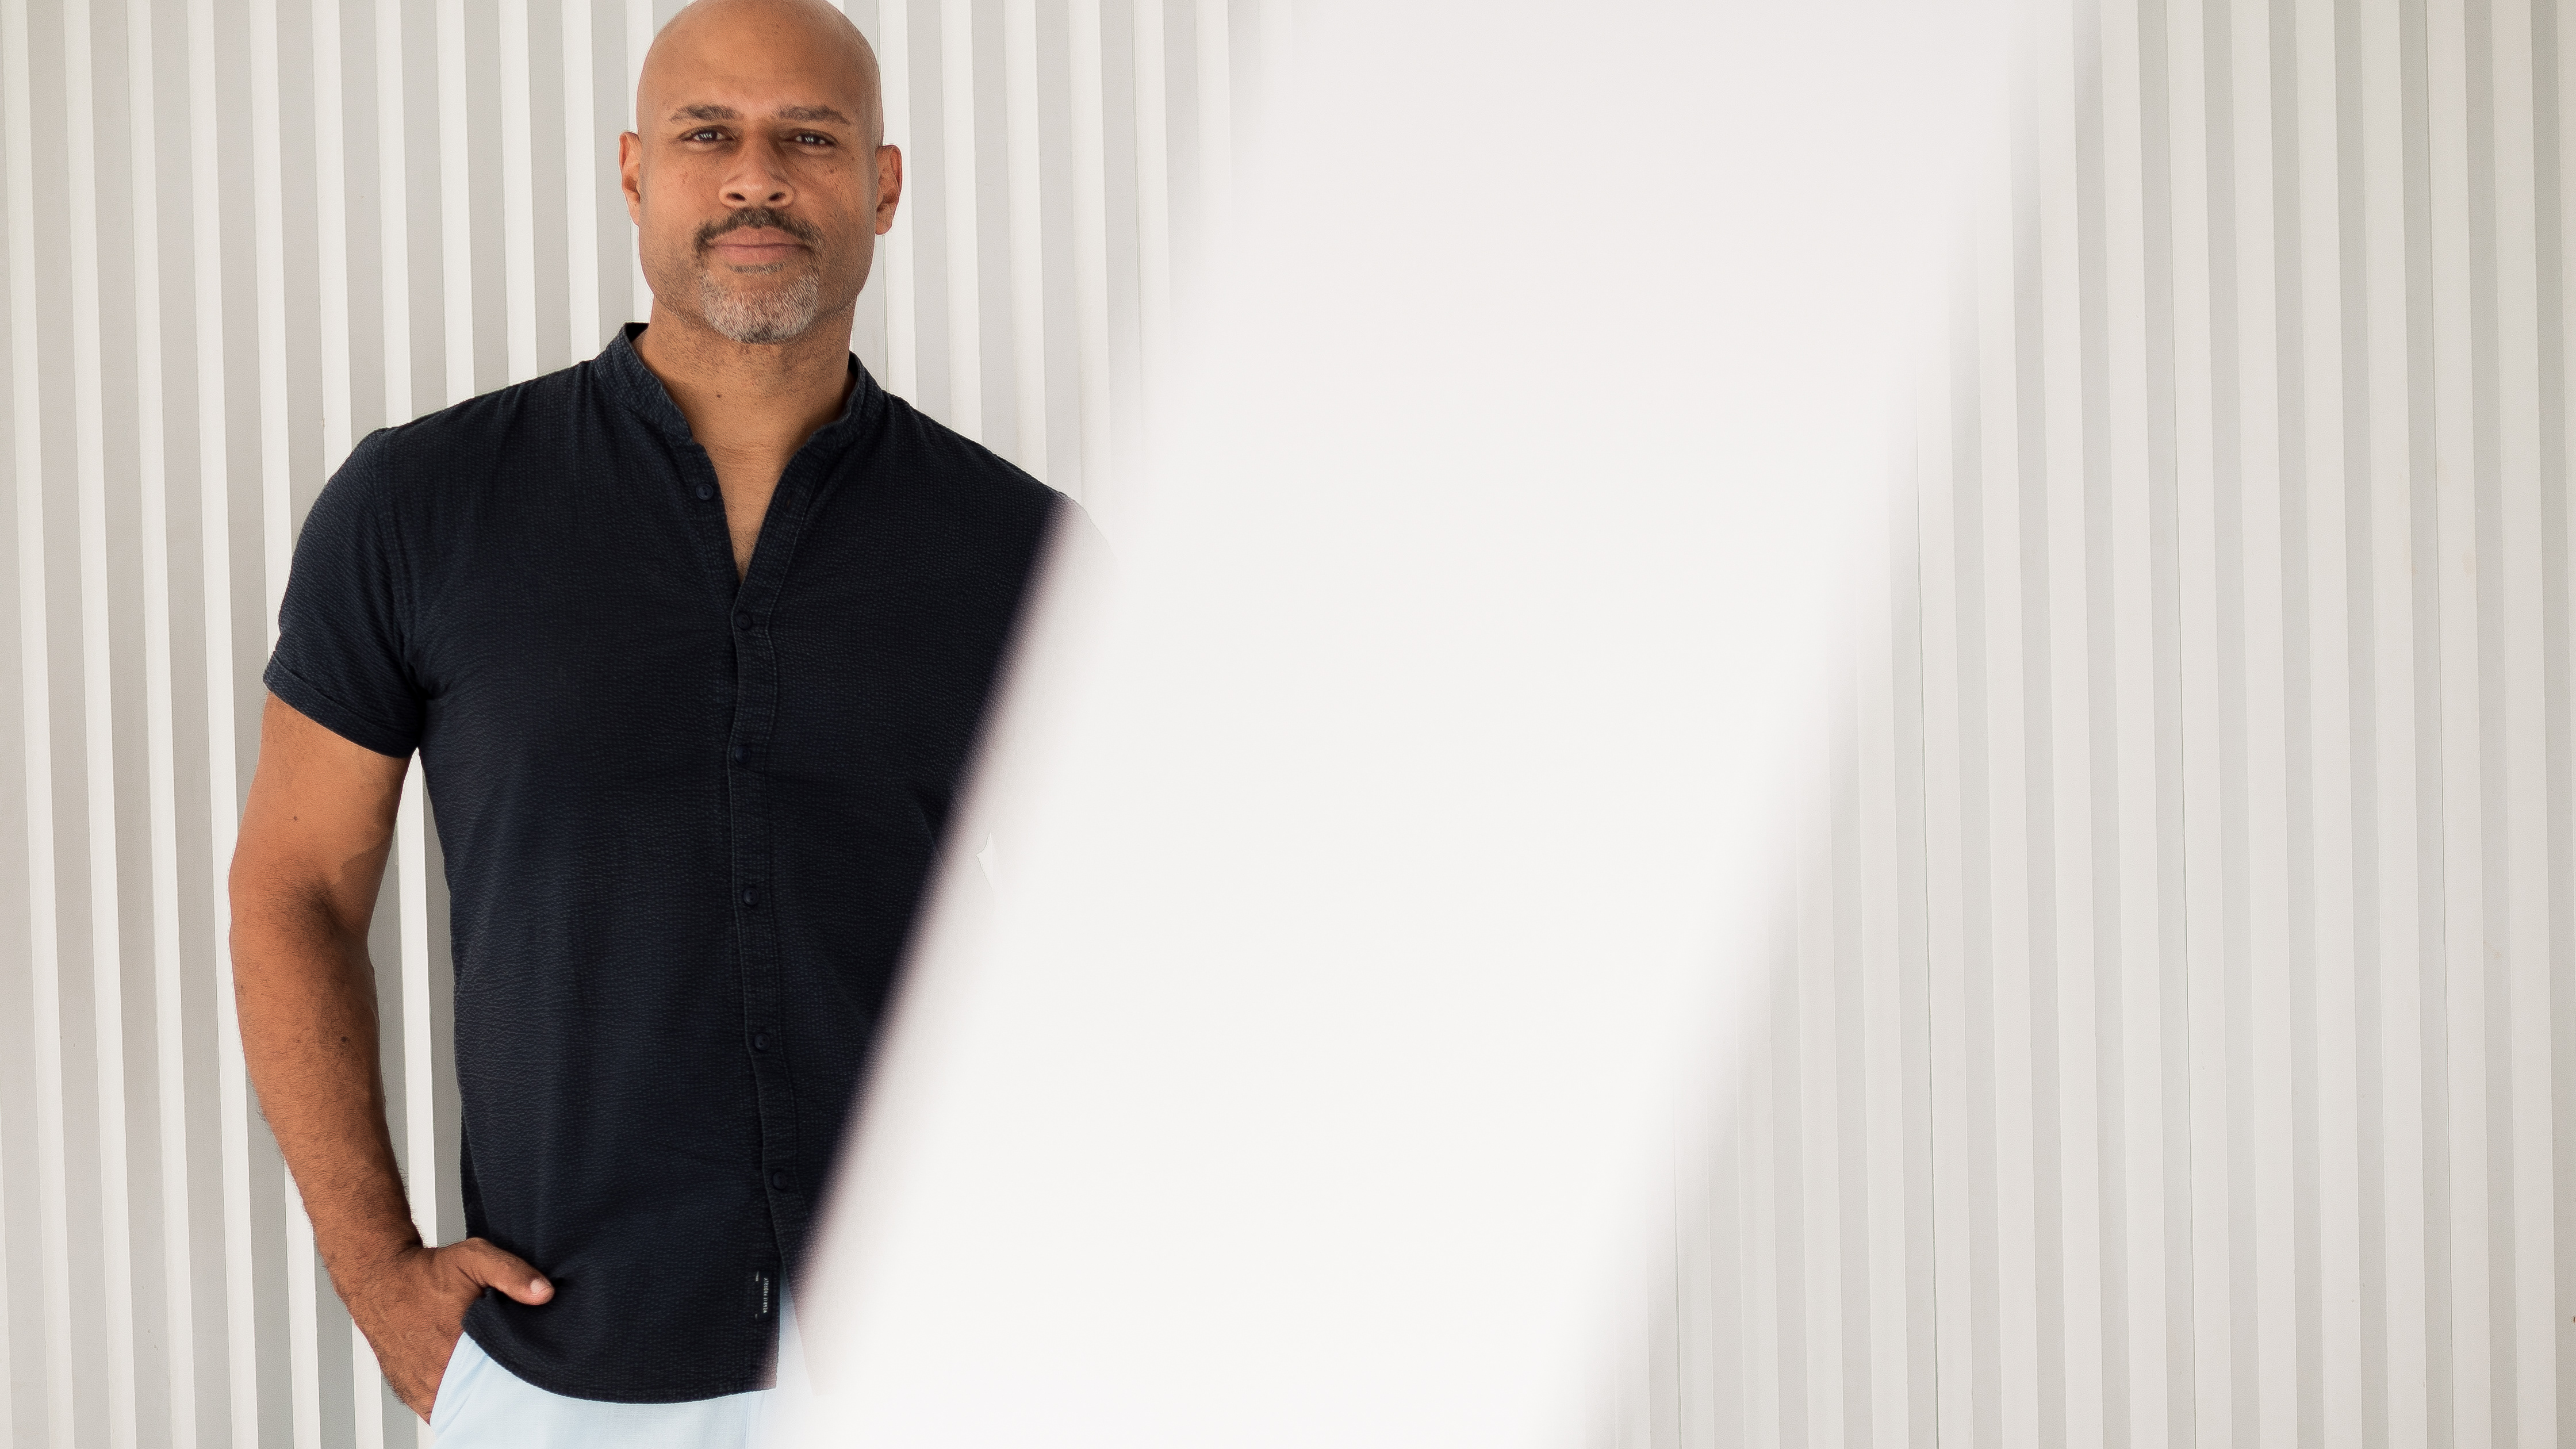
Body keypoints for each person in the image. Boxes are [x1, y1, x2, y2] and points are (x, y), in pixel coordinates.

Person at [228, 0, 1069, 1440]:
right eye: (707, 134)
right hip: (563, 1372)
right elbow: (294, 887)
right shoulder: (422, 507)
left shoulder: (1021, 551)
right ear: (634, 174)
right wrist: (377, 1275)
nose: (756, 178)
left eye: (810, 138)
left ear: (882, 186)